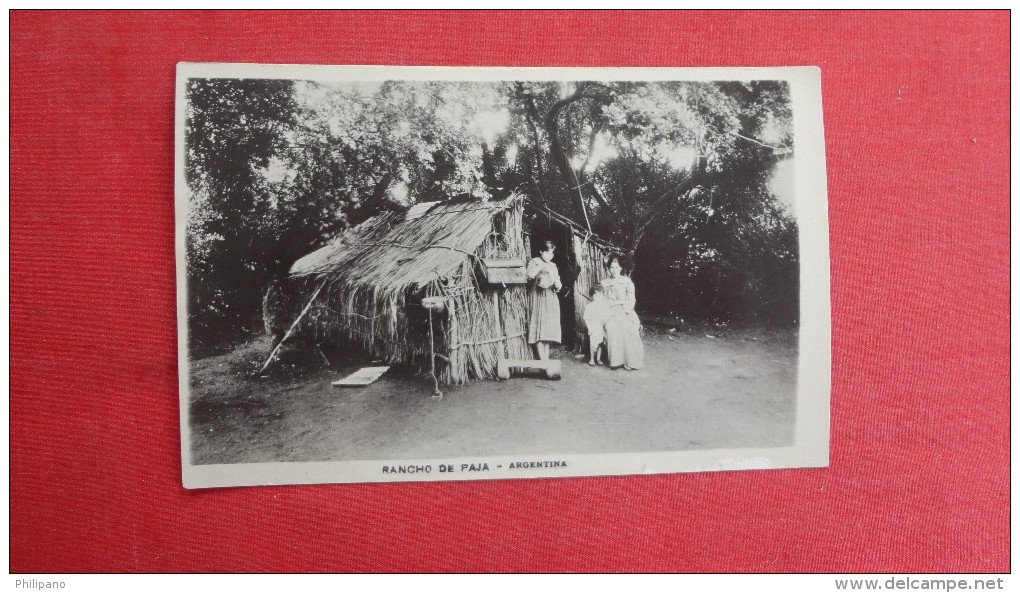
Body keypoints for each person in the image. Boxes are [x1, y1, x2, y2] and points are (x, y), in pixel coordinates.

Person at [600, 255, 643, 370]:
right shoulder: (604, 283)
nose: (614, 270)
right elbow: (602, 301)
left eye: (616, 267)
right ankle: (616, 361)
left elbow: (631, 299)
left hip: (625, 310)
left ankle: (629, 361)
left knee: (628, 328)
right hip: (609, 311)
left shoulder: (626, 281)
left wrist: (626, 311)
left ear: (621, 268)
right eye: (612, 267)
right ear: (609, 268)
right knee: (612, 328)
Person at [527, 241, 562, 360]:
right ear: (541, 251)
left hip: (550, 298)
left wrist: (558, 285)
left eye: (551, 254)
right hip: (538, 297)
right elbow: (529, 275)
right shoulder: (534, 262)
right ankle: (543, 360)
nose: (549, 257)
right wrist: (540, 267)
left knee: (547, 328)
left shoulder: (553, 265)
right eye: (547, 253)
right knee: (538, 326)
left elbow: (557, 281)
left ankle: (546, 359)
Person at [583, 284, 608, 366]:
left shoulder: (604, 306)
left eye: (600, 295)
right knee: (593, 344)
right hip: (593, 327)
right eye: (596, 295)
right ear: (592, 296)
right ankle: (592, 359)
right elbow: (586, 318)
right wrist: (589, 328)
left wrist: (605, 325)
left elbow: (606, 316)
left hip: (601, 327)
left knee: (600, 344)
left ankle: (598, 359)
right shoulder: (590, 306)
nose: (598, 297)